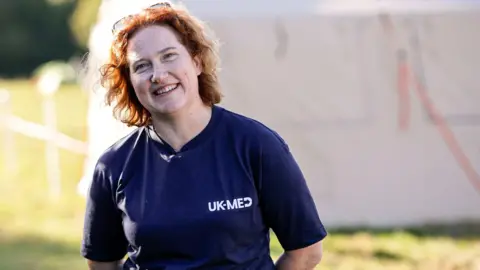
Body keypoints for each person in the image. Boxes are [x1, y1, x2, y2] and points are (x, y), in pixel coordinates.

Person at [81, 2, 327, 270]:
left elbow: (306, 252)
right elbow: (102, 264)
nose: (159, 75)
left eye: (169, 56)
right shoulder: (113, 165)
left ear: (196, 61)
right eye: (142, 66)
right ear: (129, 82)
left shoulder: (256, 145)